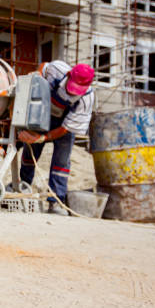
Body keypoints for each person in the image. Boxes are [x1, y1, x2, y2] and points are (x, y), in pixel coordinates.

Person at [17, 61, 95, 215]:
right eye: (72, 88)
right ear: (68, 75)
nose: (73, 93)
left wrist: (43, 137)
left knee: (61, 161)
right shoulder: (57, 69)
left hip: (64, 125)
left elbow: (66, 128)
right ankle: (22, 187)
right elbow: (43, 66)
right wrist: (38, 76)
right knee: (30, 153)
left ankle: (56, 201)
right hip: (41, 114)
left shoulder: (86, 99)